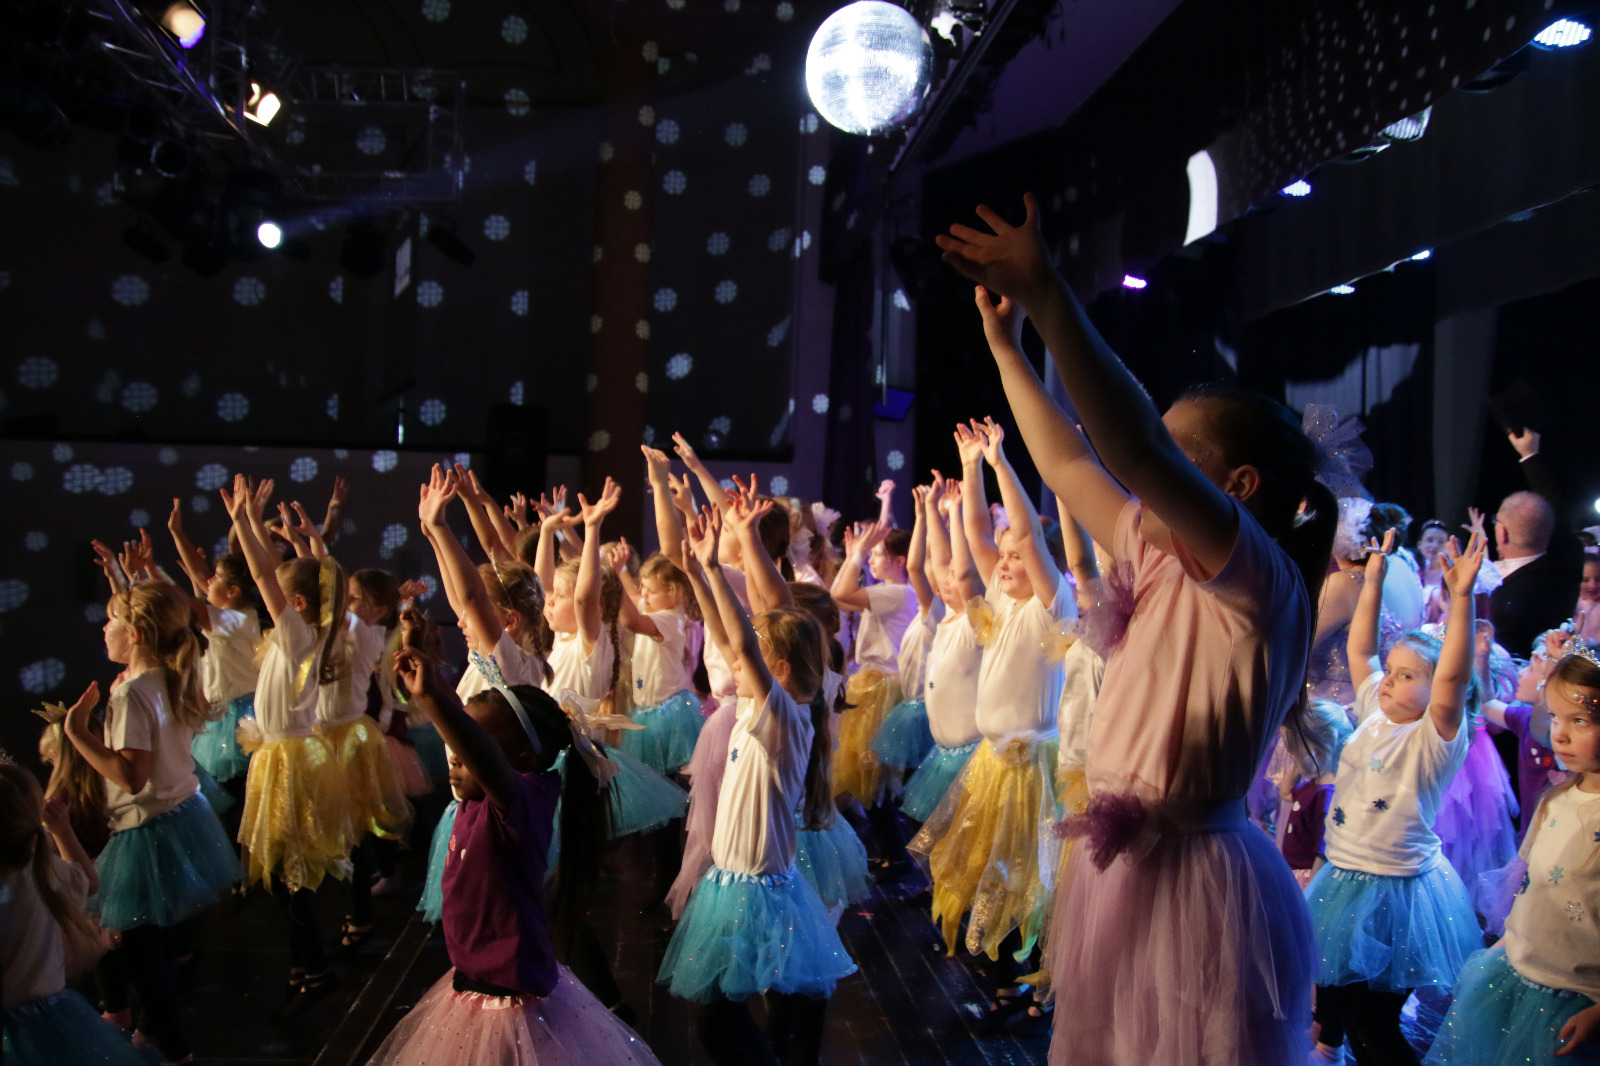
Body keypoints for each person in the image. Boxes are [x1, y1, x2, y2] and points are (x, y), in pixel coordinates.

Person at [937, 193, 1336, 1065]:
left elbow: (1131, 449)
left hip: (1199, 881)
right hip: (1127, 863)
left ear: (1235, 488)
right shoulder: (1153, 552)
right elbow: (1069, 459)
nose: (1148, 473)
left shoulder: (1254, 578)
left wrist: (1051, 296)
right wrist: (1008, 348)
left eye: (1177, 454)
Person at [365, 649, 661, 1066]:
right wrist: (431, 689)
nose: (454, 755)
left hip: (511, 1004)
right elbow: (469, 736)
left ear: (521, 763)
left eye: (467, 748)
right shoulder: (478, 801)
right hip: (471, 987)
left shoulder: (523, 802)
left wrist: (431, 697)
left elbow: (475, 747)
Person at [657, 506, 855, 1066]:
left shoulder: (787, 720)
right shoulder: (754, 711)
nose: (732, 669)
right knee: (728, 1020)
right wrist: (697, 574)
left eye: (753, 666)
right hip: (732, 884)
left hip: (758, 889)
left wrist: (715, 570)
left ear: (780, 672)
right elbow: (731, 641)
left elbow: (742, 645)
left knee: (724, 1023)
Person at [1304, 532, 1487, 1066]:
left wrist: (1460, 599)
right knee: (1338, 1002)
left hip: (1394, 894)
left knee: (1374, 1025)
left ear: (1438, 695)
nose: (1387, 680)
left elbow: (1453, 675)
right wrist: (1373, 581)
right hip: (1344, 876)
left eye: (1407, 676)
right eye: (1392, 669)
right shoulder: (1375, 711)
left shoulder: (1432, 739)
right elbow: (1361, 651)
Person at [910, 416, 1072, 979]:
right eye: (1003, 558)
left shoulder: (1052, 608)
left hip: (1030, 768)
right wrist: (971, 468)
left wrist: (1001, 462)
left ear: (1045, 566)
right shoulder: (1001, 602)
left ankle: (1021, 974)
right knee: (982, 866)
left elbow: (1025, 535)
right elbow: (980, 537)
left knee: (1024, 874)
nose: (1004, 562)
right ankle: (995, 970)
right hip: (991, 760)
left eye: (1016, 558)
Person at [1422, 646, 1600, 1066]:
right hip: (1518, 974)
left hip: (1577, 1000)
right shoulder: (1554, 800)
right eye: (1554, 717)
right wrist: (1505, 945)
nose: (1559, 734)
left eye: (1580, 721)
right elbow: (1531, 886)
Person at [225, 474, 351, 1016]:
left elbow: (262, 574)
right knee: (282, 872)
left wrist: (246, 521)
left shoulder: (301, 635)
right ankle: (304, 966)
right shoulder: (298, 633)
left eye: (280, 597)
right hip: (281, 755)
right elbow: (297, 574)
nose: (268, 600)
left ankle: (315, 970)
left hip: (291, 760)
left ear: (295, 603)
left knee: (292, 875)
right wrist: (263, 530)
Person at [0, 757, 156, 1066]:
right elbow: (88, 881)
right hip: (47, 1018)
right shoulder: (44, 869)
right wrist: (61, 830)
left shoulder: (37, 871)